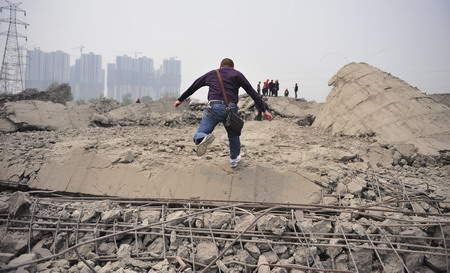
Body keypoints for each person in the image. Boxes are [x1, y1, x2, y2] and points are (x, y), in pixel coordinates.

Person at [174, 58, 273, 168]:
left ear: (220, 66)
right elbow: (252, 92)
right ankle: (234, 159)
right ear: (232, 67)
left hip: (213, 107)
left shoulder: (211, 74)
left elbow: (195, 85)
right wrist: (264, 110)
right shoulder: (237, 74)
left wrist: (180, 99)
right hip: (231, 108)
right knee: (233, 134)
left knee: (201, 133)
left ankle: (203, 138)